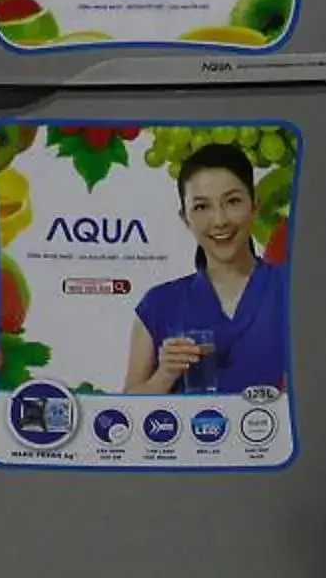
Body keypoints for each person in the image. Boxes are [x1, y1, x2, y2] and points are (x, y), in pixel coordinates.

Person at [123, 141, 288, 396]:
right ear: (185, 218)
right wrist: (164, 375)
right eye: (202, 207)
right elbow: (127, 412)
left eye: (232, 201)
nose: (220, 220)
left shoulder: (292, 290)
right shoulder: (158, 305)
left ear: (254, 206)